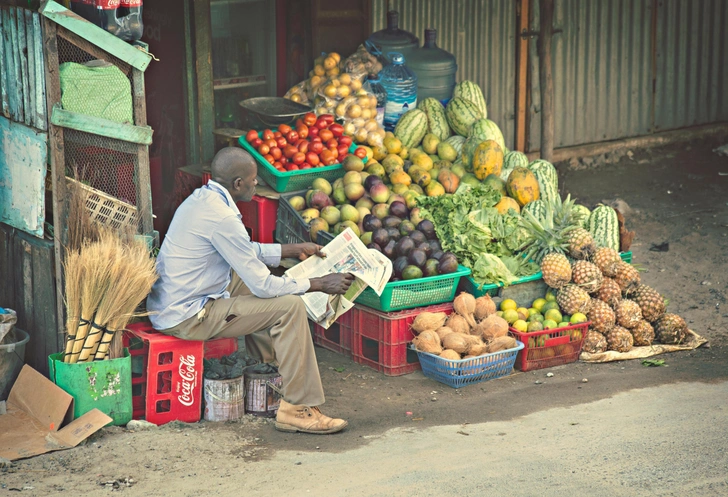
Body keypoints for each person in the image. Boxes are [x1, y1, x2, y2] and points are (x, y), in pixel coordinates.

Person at [147, 147, 354, 434]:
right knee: (289, 305)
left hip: (176, 300)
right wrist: (318, 284)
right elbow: (265, 286)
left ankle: (265, 371)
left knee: (248, 283)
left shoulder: (204, 200)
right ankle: (296, 408)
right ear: (237, 184)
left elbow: (243, 250)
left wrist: (290, 249)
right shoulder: (223, 218)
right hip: (187, 316)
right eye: (253, 180)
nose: (256, 184)